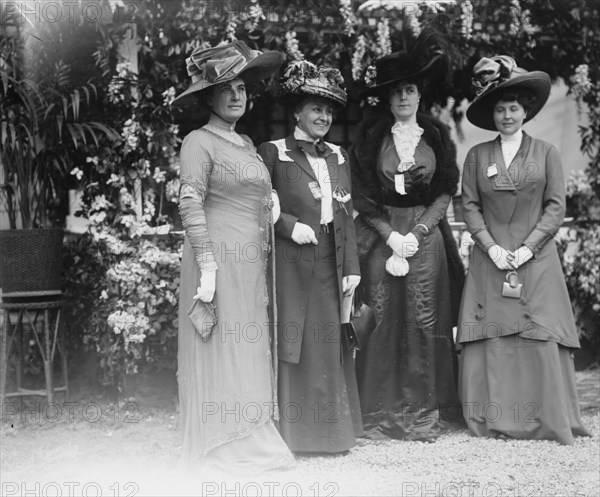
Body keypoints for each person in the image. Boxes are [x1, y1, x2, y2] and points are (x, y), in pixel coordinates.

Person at [172, 41, 294, 472]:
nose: (237, 95)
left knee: (247, 341)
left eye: (242, 87)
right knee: (222, 343)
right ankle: (224, 443)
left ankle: (252, 432)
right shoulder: (197, 142)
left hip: (249, 262)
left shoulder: (243, 142)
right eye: (226, 88)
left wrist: (272, 198)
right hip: (217, 258)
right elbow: (190, 202)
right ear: (210, 96)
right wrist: (206, 263)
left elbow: (252, 188)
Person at [458, 56, 591, 445]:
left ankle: (545, 419)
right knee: (494, 335)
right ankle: (496, 418)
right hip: (491, 259)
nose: (507, 115)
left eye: (513, 108)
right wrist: (491, 247)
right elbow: (468, 205)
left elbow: (555, 206)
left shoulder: (547, 152)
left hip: (537, 260)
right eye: (499, 109)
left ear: (526, 111)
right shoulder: (478, 156)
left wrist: (529, 248)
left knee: (539, 333)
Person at [348, 35, 465, 442]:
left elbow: (446, 189)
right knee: (382, 316)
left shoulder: (436, 133)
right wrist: (390, 236)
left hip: (427, 234)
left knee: (423, 317)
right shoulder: (370, 136)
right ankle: (379, 410)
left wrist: (416, 232)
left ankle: (421, 411)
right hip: (382, 234)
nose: (403, 97)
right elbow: (361, 194)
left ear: (420, 95)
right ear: (386, 97)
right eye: (395, 91)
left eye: (410, 90)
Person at [257, 61, 363, 453]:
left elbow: (345, 214)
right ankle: (295, 435)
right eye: (315, 108)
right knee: (296, 341)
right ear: (296, 112)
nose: (323, 116)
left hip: (330, 263)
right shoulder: (273, 152)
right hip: (290, 263)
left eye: (328, 110)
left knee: (329, 343)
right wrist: (286, 225)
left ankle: (331, 435)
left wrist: (351, 267)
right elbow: (258, 202)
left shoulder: (338, 155)